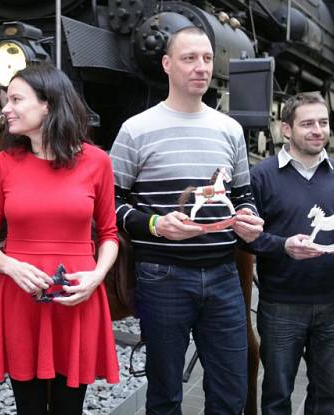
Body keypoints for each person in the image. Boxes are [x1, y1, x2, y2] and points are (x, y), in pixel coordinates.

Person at [110, 26, 265, 414]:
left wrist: (250, 218)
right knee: (164, 395)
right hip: (162, 278)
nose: (201, 67)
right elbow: (108, 204)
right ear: (166, 64)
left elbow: (243, 196)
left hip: (224, 276)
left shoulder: (230, 130)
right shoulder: (136, 130)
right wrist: (154, 225)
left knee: (230, 393)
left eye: (207, 58)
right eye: (189, 58)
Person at [0, 63, 120, 414]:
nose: (6, 109)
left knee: (70, 409)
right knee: (29, 409)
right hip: (19, 299)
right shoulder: (4, 164)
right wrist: (11, 267)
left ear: (48, 105)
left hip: (77, 297)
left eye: (16, 100)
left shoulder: (97, 162)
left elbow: (110, 234)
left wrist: (98, 276)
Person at [248, 92, 334, 414]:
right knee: (277, 395)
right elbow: (247, 238)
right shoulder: (262, 175)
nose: (318, 130)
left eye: (323, 122)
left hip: (333, 306)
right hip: (280, 306)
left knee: (329, 397)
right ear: (286, 129)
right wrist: (283, 246)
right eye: (307, 123)